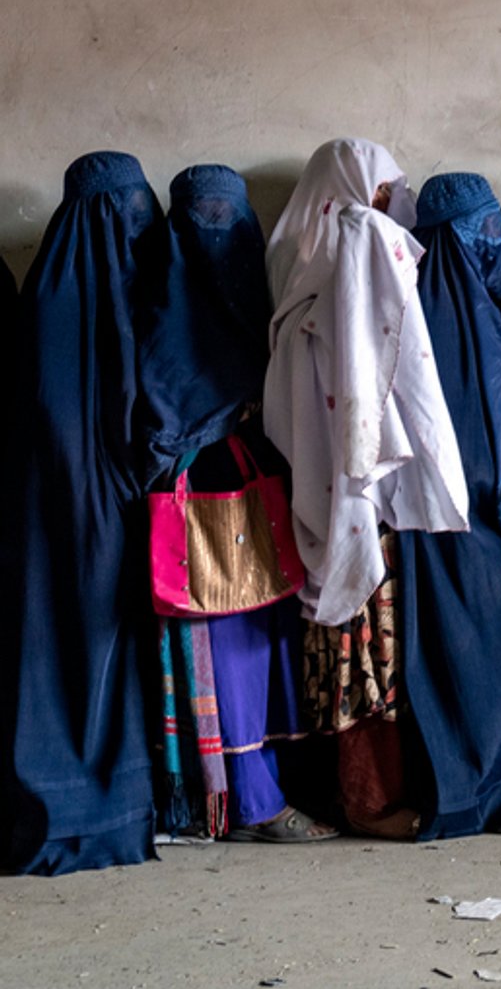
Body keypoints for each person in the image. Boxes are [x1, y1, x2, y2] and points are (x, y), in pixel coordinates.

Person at [264, 138, 471, 840]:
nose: (388, 204)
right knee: (363, 654)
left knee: (354, 648)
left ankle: (363, 792)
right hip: (358, 488)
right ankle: (369, 799)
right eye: (378, 189)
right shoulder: (356, 259)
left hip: (332, 485)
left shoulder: (299, 263)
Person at [136, 164, 330, 845]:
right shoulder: (159, 298)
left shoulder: (265, 301)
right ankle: (244, 800)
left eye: (229, 219)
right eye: (203, 220)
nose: (219, 236)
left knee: (264, 650)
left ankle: (271, 790)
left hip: (254, 482)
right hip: (196, 490)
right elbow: (160, 397)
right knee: (223, 664)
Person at [1, 153, 167, 875]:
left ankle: (77, 807)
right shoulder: (89, 298)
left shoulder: (48, 288)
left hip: (57, 512)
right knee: (91, 647)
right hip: (89, 505)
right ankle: (90, 810)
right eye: (128, 208)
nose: (138, 221)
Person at [395, 173, 501, 839]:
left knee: (444, 663)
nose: (499, 242)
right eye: (486, 231)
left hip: (422, 521)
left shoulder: (405, 299)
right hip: (481, 520)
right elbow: (490, 427)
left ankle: (459, 791)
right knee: (500, 664)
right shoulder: (479, 320)